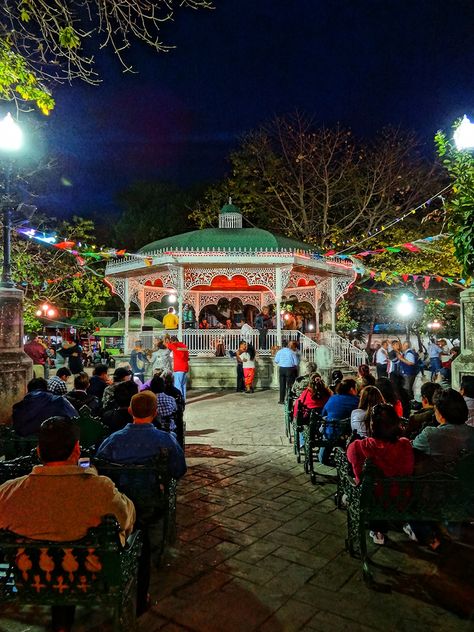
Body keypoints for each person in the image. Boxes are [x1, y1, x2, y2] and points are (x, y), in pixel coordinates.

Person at [0, 416, 135, 632]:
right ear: (76, 450)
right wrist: (91, 475)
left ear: (38, 451)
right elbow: (127, 520)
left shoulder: (8, 492)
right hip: (86, 577)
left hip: (27, 577)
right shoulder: (100, 488)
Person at [347, 404, 414, 545]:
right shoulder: (405, 445)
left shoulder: (358, 447)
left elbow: (355, 470)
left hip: (371, 501)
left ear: (372, 425)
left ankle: (377, 529)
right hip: (400, 498)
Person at [96, 391, 187, 477]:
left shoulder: (113, 439)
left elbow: (100, 466)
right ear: (155, 413)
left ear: (130, 411)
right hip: (154, 491)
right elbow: (179, 469)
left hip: (119, 489)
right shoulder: (167, 439)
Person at [412, 388, 474, 467]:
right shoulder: (472, 433)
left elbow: (411, 450)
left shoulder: (430, 435)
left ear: (440, 414)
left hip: (434, 478)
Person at [12, 378, 78, 437]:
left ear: (29, 390)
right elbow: (76, 419)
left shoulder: (18, 408)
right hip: (57, 445)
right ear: (46, 388)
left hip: (26, 447)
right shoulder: (60, 401)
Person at [274, 340, 299, 404]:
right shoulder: (292, 352)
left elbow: (276, 361)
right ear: (288, 345)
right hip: (289, 369)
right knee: (289, 385)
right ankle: (289, 399)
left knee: (282, 385)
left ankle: (281, 400)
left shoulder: (279, 352)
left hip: (282, 369)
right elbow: (296, 363)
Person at [165, 336, 189, 400]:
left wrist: (167, 339)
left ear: (173, 341)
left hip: (179, 368)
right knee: (183, 385)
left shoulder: (174, 345)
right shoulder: (184, 346)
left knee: (177, 386)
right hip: (185, 368)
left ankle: (179, 400)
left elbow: (168, 345)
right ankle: (183, 400)